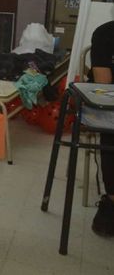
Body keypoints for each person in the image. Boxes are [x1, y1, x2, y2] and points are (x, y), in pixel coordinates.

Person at [89, 20, 114, 237]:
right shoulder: (105, 33)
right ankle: (112, 199)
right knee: (110, 126)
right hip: (111, 105)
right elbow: (104, 87)